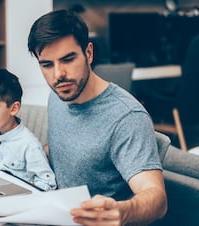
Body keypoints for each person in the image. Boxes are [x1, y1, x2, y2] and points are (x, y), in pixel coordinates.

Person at [27, 9, 167, 225]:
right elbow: (67, 151)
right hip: (54, 213)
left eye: (68, 59)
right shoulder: (58, 95)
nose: (58, 75)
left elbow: (157, 199)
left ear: (89, 53)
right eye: (47, 64)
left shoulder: (127, 117)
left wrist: (123, 212)